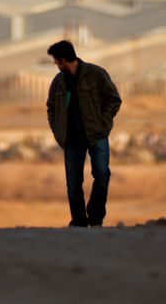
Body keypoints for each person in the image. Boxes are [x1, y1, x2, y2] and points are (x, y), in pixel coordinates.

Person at [45, 39, 122, 227]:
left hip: (96, 135)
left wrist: (103, 123)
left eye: (56, 60)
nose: (55, 64)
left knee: (102, 175)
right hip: (71, 140)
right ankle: (79, 222)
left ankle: (95, 218)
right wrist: (58, 132)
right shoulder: (59, 82)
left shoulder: (96, 74)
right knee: (73, 184)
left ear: (63, 60)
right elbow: (51, 108)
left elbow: (114, 100)